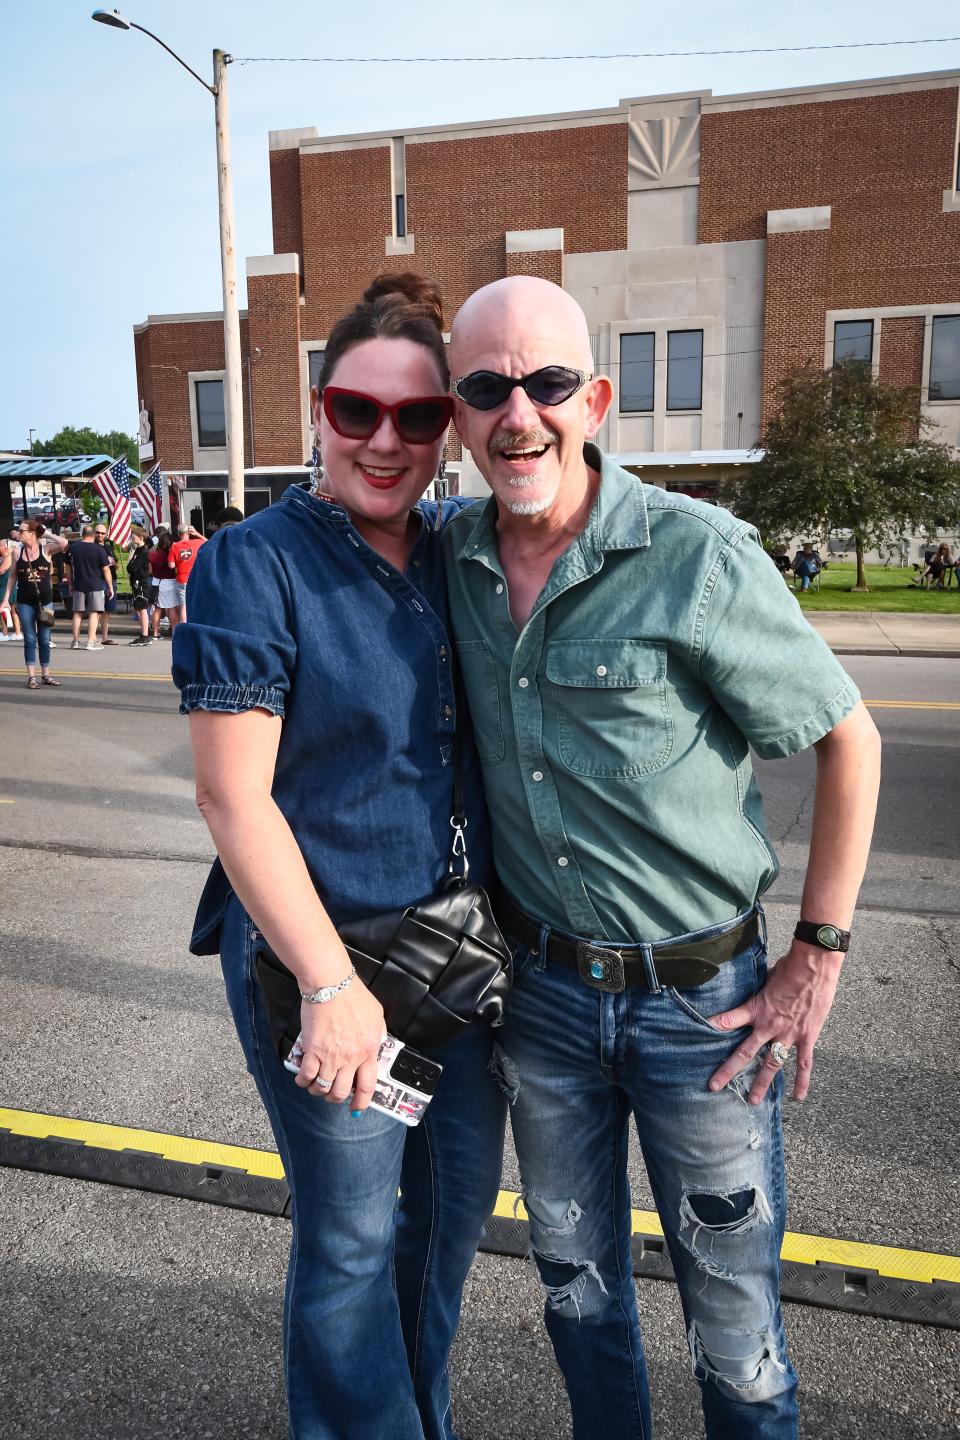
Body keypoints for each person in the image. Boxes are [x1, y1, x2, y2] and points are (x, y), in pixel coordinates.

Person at [443, 276, 882, 1440]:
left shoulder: (696, 554)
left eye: (543, 385)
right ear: (457, 413)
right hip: (540, 1004)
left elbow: (850, 741)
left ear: (591, 400)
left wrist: (818, 954)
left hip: (704, 1011)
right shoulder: (454, 560)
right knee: (576, 1293)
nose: (517, 414)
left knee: (735, 1333)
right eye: (486, 388)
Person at [172, 273, 506, 1440]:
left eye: (418, 417)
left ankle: (416, 1417)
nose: (383, 440)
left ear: (448, 429)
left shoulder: (461, 550)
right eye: (356, 410)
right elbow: (233, 797)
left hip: (457, 963)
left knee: (447, 1222)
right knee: (356, 1238)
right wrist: (331, 990)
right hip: (327, 961)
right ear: (319, 407)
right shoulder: (254, 563)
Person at [2, 520, 68, 688]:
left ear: (32, 533)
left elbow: (63, 543)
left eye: (22, 530)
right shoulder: (18, 552)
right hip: (25, 602)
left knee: (44, 639)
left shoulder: (46, 549)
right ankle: (32, 676)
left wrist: (44, 533)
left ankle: (46, 674)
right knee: (30, 639)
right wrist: (5, 600)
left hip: (45, 603)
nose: (18, 533)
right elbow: (12, 577)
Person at [66, 524, 114, 650]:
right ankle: (90, 641)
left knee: (77, 613)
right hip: (95, 584)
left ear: (82, 535)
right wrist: (110, 587)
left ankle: (75, 641)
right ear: (93, 535)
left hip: (79, 584)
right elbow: (106, 570)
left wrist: (70, 583)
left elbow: (68, 568)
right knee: (94, 612)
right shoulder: (99, 550)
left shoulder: (73, 548)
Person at [167, 523, 206, 623]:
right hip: (195, 578)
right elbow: (209, 542)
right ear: (189, 532)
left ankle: (184, 629)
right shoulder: (197, 542)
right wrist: (197, 533)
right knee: (196, 604)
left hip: (182, 579)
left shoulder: (175, 546)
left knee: (183, 607)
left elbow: (171, 565)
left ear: (178, 534)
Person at [93, 523, 121, 645]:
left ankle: (104, 637)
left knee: (107, 611)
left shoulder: (109, 547)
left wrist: (113, 562)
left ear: (106, 534)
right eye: (97, 532)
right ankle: (92, 637)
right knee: (96, 610)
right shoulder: (91, 547)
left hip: (111, 581)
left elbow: (117, 565)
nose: (100, 535)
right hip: (97, 580)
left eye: (102, 533)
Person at [126, 529, 154, 646]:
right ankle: (143, 634)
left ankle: (145, 635)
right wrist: (131, 567)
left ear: (141, 538)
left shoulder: (143, 552)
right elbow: (129, 567)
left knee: (142, 608)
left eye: (134, 537)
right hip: (136, 582)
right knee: (138, 608)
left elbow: (132, 567)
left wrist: (131, 567)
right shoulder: (137, 550)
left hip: (141, 583)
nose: (132, 539)